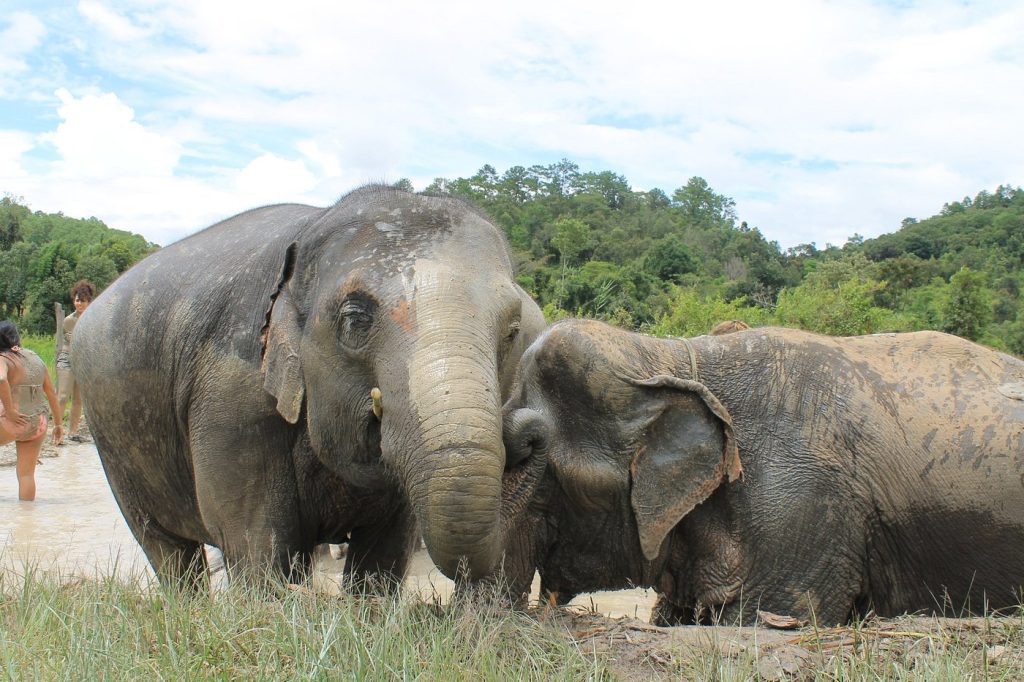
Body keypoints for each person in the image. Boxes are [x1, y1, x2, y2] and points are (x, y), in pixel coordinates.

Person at [0, 320, 64, 500]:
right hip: (38, 423)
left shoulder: (3, 359)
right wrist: (58, 424)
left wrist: (10, 411)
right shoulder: (34, 358)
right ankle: (26, 517)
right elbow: (51, 393)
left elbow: (1, 380)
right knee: (26, 475)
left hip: (11, 421)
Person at [57, 279, 96, 443]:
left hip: (82, 360)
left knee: (79, 399)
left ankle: (72, 432)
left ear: (89, 302)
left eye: (83, 301)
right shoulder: (69, 320)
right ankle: (57, 429)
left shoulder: (94, 319)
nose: (80, 303)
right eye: (77, 300)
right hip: (67, 358)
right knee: (63, 396)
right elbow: (73, 342)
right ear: (74, 300)